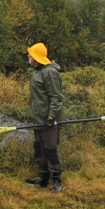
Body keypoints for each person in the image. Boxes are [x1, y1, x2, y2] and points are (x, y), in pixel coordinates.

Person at [24, 42, 65, 192]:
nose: (28, 56)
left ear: (36, 57)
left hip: (49, 119)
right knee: (39, 148)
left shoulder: (49, 72)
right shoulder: (38, 71)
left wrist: (51, 117)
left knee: (51, 148)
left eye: (30, 55)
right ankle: (43, 177)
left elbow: (56, 97)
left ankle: (57, 180)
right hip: (38, 119)